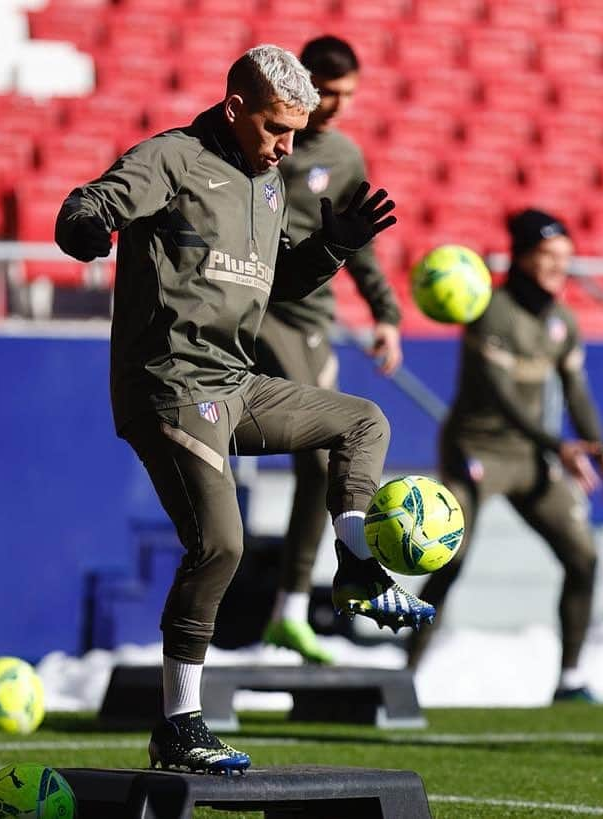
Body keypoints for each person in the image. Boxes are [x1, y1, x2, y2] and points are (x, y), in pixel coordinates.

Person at [54, 44, 434, 774]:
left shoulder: (266, 182)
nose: (288, 145)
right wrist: (85, 228)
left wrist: (331, 247)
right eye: (275, 128)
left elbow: (276, 283)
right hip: (167, 383)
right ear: (234, 109)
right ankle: (179, 724)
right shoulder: (171, 157)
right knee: (221, 543)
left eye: (297, 131)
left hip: (234, 382)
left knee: (364, 420)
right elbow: (89, 204)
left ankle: (354, 564)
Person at [405, 209, 603, 701]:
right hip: (476, 450)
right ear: (522, 257)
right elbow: (502, 400)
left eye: (566, 258)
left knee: (584, 557)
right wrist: (560, 446)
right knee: (451, 558)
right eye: (548, 256)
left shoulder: (562, 321)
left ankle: (570, 679)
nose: (558, 267)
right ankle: (408, 674)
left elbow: (577, 392)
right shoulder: (490, 310)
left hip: (530, 456)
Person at [255, 36, 402, 666]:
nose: (336, 105)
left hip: (310, 318)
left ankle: (291, 609)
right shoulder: (262, 142)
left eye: (347, 94)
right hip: (254, 307)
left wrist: (386, 313)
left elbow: (357, 239)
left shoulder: (343, 155)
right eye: (327, 91)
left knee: (320, 465)